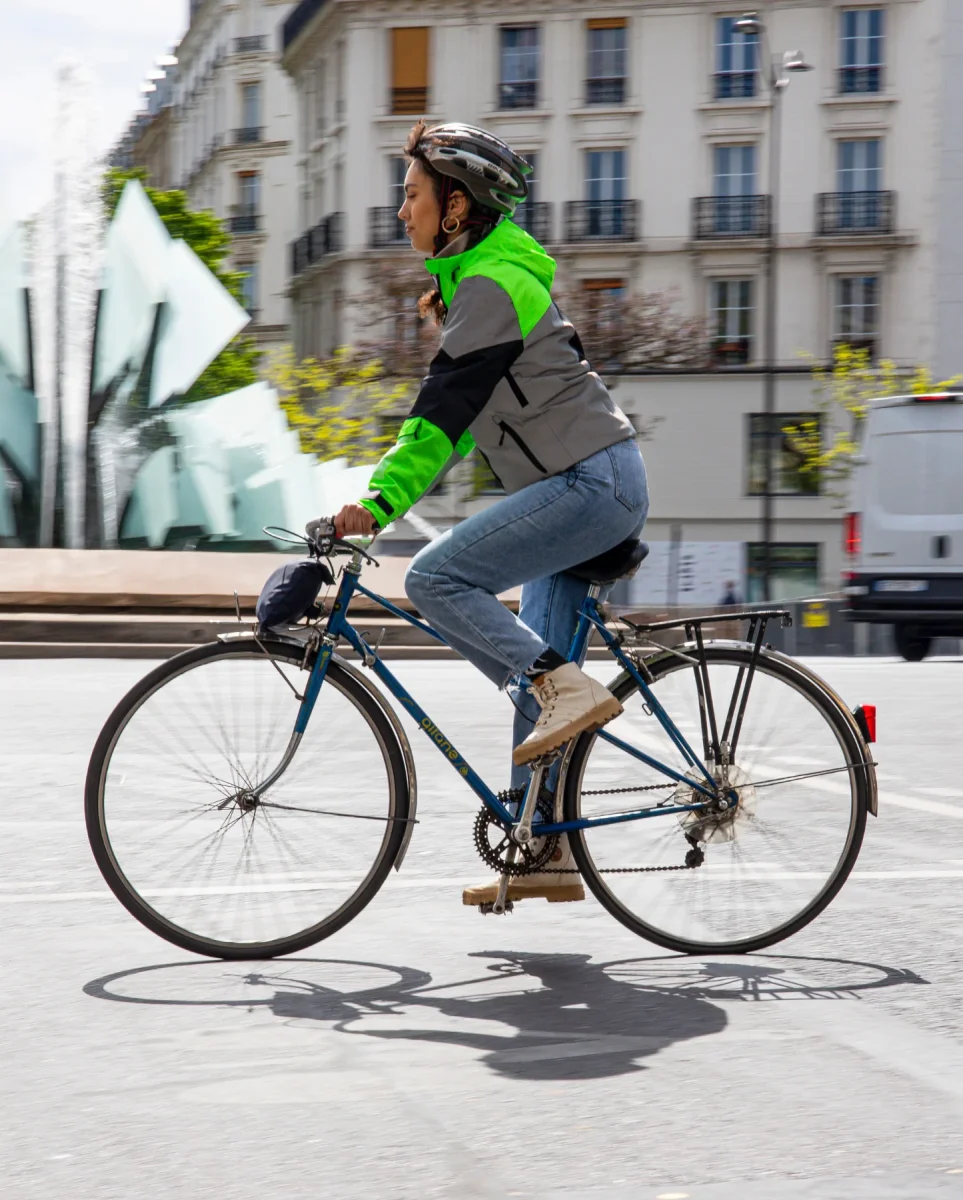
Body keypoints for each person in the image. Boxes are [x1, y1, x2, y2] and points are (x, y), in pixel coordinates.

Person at [329, 122, 649, 906]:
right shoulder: (481, 277)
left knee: (435, 580)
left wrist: (378, 502)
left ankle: (563, 698)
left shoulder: (490, 284)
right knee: (539, 683)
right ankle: (544, 851)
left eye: (411, 194)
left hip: (590, 485)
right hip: (585, 485)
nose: (400, 210)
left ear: (456, 204)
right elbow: (464, 416)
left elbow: (440, 413)